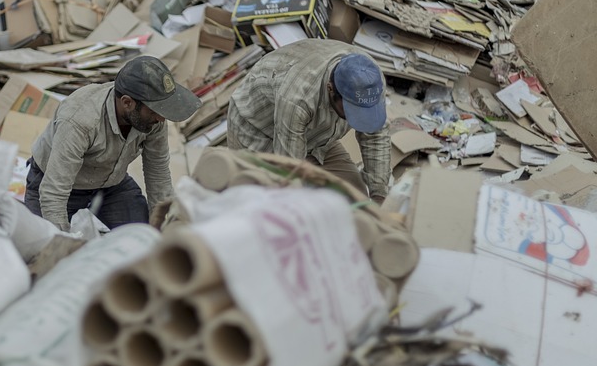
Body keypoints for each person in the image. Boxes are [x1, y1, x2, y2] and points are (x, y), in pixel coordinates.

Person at [26, 56, 201, 231]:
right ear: (127, 102)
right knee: (44, 241)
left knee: (141, 235)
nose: (161, 118)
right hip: (54, 184)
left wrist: (164, 228)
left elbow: (158, 172)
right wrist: (61, 240)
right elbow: (54, 194)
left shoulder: (152, 117)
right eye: (155, 111)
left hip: (110, 183)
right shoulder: (80, 121)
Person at [226, 39, 391, 203]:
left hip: (317, 138)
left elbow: (376, 136)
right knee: (270, 203)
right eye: (352, 110)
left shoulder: (371, 81)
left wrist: (379, 196)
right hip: (259, 132)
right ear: (330, 89)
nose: (359, 117)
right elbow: (289, 170)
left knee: (358, 201)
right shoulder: (298, 97)